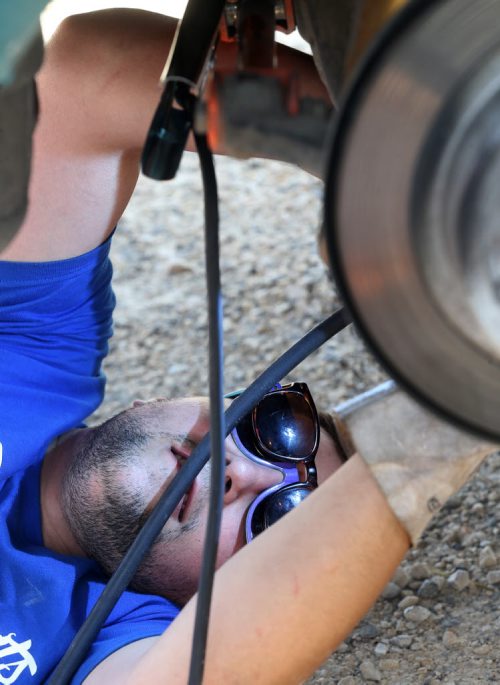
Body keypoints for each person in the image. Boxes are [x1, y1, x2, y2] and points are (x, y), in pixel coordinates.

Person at [0, 8, 493, 685]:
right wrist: (375, 160)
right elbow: (80, 78)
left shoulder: (103, 640)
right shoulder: (34, 353)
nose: (242, 475)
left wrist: (450, 410)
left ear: (204, 597)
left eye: (278, 518)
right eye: (271, 426)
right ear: (180, 397)